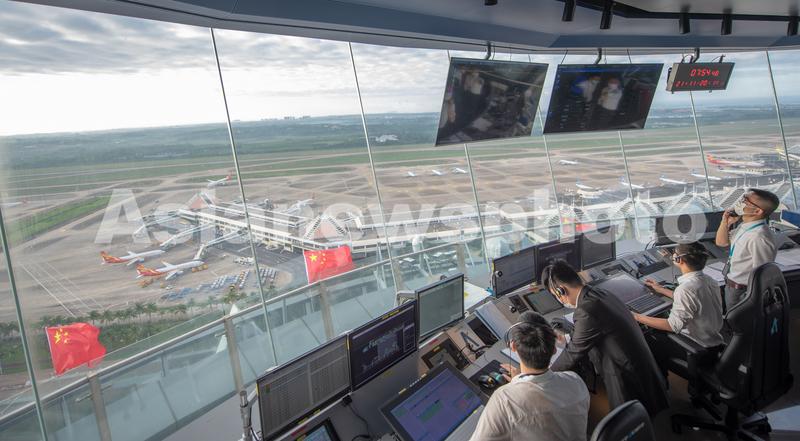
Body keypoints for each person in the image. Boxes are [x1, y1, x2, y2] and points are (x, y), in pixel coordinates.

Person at [545, 260, 669, 417]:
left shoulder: (586, 310)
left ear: (561, 291)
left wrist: (543, 374)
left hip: (626, 375)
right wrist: (568, 338)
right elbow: (594, 329)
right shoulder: (598, 293)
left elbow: (574, 353)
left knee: (628, 421)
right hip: (639, 365)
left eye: (555, 295)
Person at [470, 311, 590, 441]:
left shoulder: (504, 400)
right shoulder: (574, 380)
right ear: (554, 349)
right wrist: (519, 382)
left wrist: (515, 386)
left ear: (513, 346)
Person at [635, 243, 725, 375]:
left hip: (698, 349)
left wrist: (636, 316)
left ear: (679, 260)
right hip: (714, 342)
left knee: (649, 337)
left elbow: (673, 325)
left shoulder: (686, 289)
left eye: (674, 254)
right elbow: (693, 300)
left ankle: (661, 382)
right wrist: (661, 289)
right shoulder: (709, 280)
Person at [715, 188, 778, 310]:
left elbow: (762, 274)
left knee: (741, 321)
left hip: (743, 292)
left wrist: (751, 297)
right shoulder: (745, 226)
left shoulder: (759, 236)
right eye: (743, 197)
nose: (740, 202)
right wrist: (725, 223)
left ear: (757, 211)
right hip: (732, 286)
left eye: (745, 200)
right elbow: (721, 242)